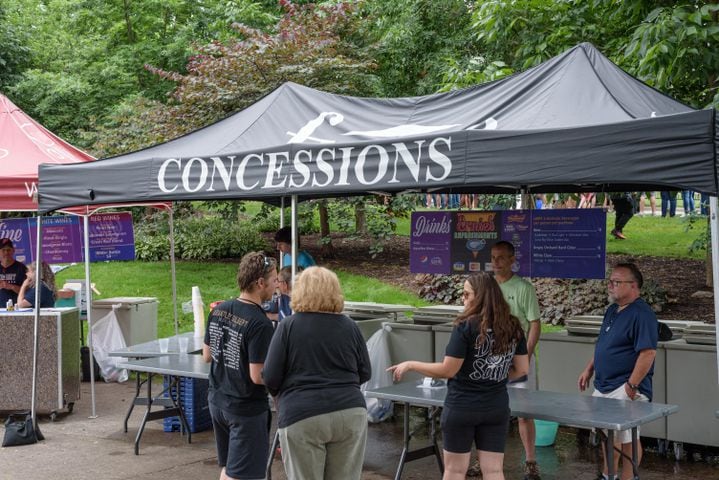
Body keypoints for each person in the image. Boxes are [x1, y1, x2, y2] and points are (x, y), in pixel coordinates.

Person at [388, 272, 528, 480]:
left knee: (454, 471)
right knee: (494, 471)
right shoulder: (513, 326)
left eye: (466, 294)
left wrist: (411, 364)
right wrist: (494, 376)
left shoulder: (465, 326)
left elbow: (448, 370)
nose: (463, 299)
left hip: (463, 406)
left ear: (479, 296)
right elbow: (523, 369)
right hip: (496, 406)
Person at [263, 266, 371, 480]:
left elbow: (271, 377)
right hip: (349, 412)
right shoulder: (350, 326)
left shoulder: (288, 326)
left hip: (302, 413)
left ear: (299, 291)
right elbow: (365, 372)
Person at [577, 263, 658, 480]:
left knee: (629, 438)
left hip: (625, 386)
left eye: (616, 282)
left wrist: (631, 386)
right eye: (610, 281)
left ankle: (629, 477)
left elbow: (648, 353)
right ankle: (608, 475)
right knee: (607, 436)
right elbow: (605, 344)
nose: (610, 285)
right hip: (604, 384)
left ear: (633, 286)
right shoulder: (612, 310)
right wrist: (589, 368)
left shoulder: (642, 314)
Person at [202, 252, 277, 480]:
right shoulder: (260, 323)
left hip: (217, 401)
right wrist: (285, 376)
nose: (276, 287)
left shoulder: (219, 309)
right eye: (274, 281)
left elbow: (207, 355)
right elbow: (257, 376)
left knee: (229, 470)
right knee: (244, 475)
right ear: (260, 283)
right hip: (244, 409)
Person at [484, 240, 542, 480]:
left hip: (518, 360)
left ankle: (530, 461)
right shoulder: (486, 287)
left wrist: (524, 358)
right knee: (486, 412)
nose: (495, 262)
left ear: (511, 260)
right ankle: (485, 461)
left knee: (524, 413)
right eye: (493, 257)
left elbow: (535, 326)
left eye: (500, 258)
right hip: (490, 361)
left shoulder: (524, 289)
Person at [0, 238, 27, 307]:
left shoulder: (21, 268)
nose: (6, 252)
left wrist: (11, 286)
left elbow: (27, 292)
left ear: (13, 251)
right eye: (3, 250)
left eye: (8, 250)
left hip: (16, 308)